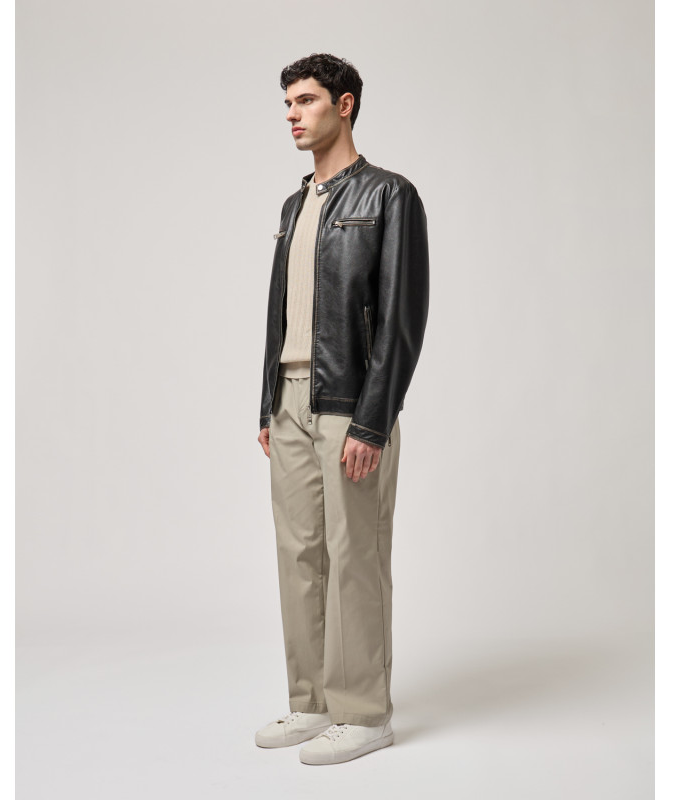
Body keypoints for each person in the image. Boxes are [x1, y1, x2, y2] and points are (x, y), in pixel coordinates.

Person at [255, 53, 429, 765]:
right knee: (299, 554)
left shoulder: (389, 196)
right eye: (287, 104)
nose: (292, 115)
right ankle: (312, 702)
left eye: (306, 100)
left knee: (355, 553)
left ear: (345, 104)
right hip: (290, 401)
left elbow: (401, 320)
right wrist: (267, 405)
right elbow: (280, 313)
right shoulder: (293, 205)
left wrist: (372, 419)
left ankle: (362, 713)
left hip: (350, 402)